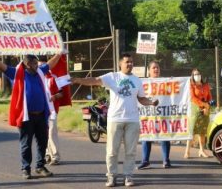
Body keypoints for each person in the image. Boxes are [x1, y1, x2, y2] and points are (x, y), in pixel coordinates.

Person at [71, 53, 159, 187]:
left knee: (131, 151)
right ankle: (111, 177)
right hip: (115, 119)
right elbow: (95, 80)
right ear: (120, 64)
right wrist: (78, 80)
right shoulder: (112, 77)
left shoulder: (137, 80)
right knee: (112, 151)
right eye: (127, 62)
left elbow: (141, 98)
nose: (130, 64)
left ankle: (128, 176)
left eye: (131, 62)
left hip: (132, 120)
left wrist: (151, 102)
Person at [0, 50, 62, 179]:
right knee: (26, 144)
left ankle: (40, 166)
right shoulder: (17, 73)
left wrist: (59, 53)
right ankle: (26, 169)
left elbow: (50, 64)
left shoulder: (40, 72)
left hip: (41, 115)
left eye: (37, 63)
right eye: (35, 63)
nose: (38, 65)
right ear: (27, 65)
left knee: (43, 142)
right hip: (26, 116)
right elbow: (0, 65)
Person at [137, 61, 171, 170]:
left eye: (157, 68)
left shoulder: (165, 82)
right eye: (153, 68)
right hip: (148, 115)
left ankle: (166, 160)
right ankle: (145, 161)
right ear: (149, 71)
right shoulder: (143, 83)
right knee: (146, 137)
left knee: (164, 137)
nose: (156, 70)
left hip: (162, 114)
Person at [38, 56, 63, 166]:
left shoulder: (53, 77)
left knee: (52, 132)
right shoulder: (36, 78)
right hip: (40, 110)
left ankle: (56, 156)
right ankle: (47, 154)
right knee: (44, 133)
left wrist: (54, 96)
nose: (40, 67)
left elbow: (61, 93)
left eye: (42, 65)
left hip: (52, 110)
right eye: (38, 66)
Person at [184, 68, 213, 158]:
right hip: (194, 110)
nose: (197, 76)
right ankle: (187, 151)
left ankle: (202, 150)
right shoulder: (192, 86)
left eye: (198, 74)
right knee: (191, 130)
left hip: (205, 110)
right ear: (192, 76)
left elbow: (210, 97)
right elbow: (193, 98)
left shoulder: (206, 85)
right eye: (195, 74)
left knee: (202, 132)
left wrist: (207, 106)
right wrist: (203, 105)